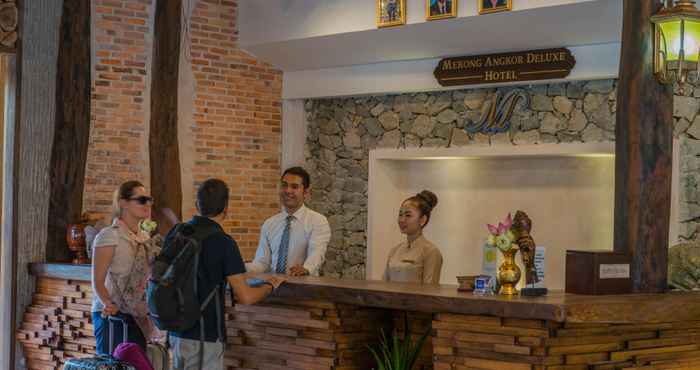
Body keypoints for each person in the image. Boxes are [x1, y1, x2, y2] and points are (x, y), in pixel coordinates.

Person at [168, 178, 285, 370]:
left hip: (175, 332)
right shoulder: (224, 242)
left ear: (197, 205)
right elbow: (245, 296)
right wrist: (270, 285)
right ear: (226, 208)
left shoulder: (177, 232)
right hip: (206, 336)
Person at [91, 180, 159, 354]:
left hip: (137, 317)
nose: (148, 204)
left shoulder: (145, 237)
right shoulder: (108, 236)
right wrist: (108, 303)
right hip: (112, 315)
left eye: (149, 199)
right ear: (123, 203)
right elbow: (97, 281)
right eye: (142, 200)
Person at [246, 167, 331, 277]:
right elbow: (262, 263)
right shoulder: (269, 223)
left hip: (304, 289)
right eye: (284, 185)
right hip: (273, 289)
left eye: (294, 187)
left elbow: (317, 253)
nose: (287, 191)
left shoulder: (318, 221)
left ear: (306, 192)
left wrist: (306, 268)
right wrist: (242, 267)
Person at [383, 190, 443, 284]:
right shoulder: (394, 251)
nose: (402, 220)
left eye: (408, 215)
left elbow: (430, 292)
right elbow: (384, 285)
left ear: (422, 220)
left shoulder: (431, 252)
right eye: (400, 214)